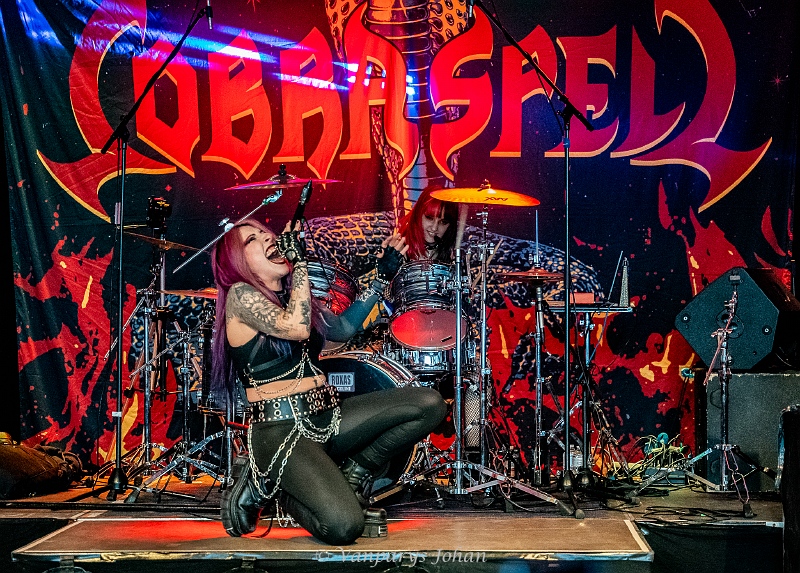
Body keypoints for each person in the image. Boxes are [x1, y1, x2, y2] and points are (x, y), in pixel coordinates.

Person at [210, 217, 447, 545]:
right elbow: (296, 328)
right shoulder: (240, 295)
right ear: (237, 262)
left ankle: (353, 475)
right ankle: (269, 486)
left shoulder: (294, 297)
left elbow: (342, 330)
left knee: (429, 404)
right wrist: (301, 265)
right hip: (282, 432)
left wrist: (381, 278)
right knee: (344, 527)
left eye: (265, 232)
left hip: (327, 418)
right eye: (251, 239)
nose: (266, 237)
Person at [396, 185, 459, 262]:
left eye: (443, 222)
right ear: (418, 214)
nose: (434, 228)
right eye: (429, 218)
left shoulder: (454, 252)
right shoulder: (399, 249)